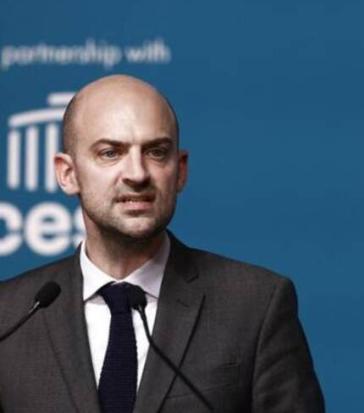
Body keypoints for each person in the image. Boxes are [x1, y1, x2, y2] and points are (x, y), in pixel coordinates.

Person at [0, 75, 325, 413]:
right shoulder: (9, 317)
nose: (137, 174)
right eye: (110, 153)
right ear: (68, 174)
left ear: (180, 171)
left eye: (156, 152)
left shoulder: (255, 305)